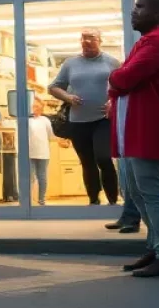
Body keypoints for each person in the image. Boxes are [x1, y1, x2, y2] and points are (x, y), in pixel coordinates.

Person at [109, 0, 159, 277]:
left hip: (148, 126)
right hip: (132, 127)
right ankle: (155, 247)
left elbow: (122, 79)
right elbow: (121, 80)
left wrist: (115, 78)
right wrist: (117, 80)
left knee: (151, 192)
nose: (133, 11)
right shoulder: (145, 41)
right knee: (136, 191)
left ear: (156, 12)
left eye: (140, 7)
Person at [49, 29, 121, 205]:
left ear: (100, 41)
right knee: (87, 162)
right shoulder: (70, 64)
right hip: (78, 122)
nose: (87, 43)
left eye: (91, 40)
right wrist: (67, 97)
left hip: (103, 119)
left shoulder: (112, 62)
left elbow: (122, 86)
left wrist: (113, 101)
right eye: (83, 41)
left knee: (104, 158)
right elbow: (53, 87)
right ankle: (93, 200)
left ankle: (113, 200)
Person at [28, 99, 57, 206]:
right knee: (30, 177)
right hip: (29, 153)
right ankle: (29, 201)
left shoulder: (45, 120)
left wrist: (61, 140)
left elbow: (51, 135)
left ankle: (41, 200)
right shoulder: (26, 120)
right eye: (34, 106)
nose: (35, 108)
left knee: (42, 177)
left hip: (43, 152)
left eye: (38, 106)